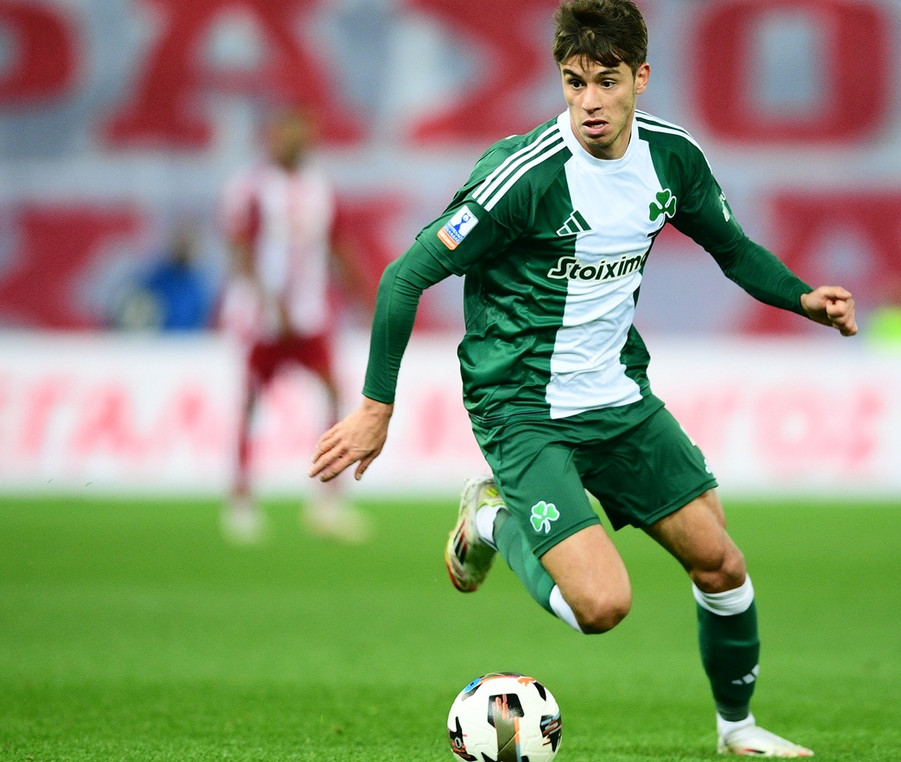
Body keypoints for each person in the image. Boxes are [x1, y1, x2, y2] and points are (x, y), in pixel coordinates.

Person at [310, 0, 856, 755]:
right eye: (574, 82)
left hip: (617, 397)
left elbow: (733, 250)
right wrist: (376, 407)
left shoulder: (672, 159)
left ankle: (738, 729)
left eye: (607, 81)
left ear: (641, 78)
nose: (590, 101)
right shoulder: (523, 177)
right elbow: (404, 277)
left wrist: (802, 297)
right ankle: (489, 519)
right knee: (602, 606)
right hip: (522, 405)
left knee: (720, 562)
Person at [220, 105, 370, 545]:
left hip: (309, 314)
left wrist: (364, 295)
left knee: (333, 394)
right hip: (262, 318)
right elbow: (240, 249)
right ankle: (241, 500)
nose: (292, 141)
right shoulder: (251, 187)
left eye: (299, 134)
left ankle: (327, 503)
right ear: (272, 137)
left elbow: (337, 245)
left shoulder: (320, 188)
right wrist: (268, 301)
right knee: (251, 401)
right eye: (284, 134)